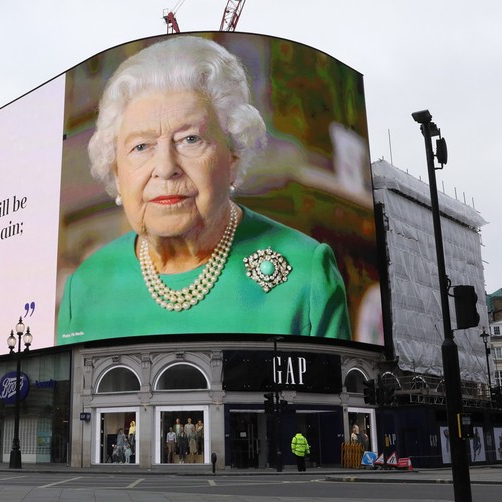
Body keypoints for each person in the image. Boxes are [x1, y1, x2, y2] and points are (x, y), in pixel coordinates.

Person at [57, 36, 350, 343]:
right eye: (141, 146)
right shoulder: (85, 286)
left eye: (190, 139)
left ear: (233, 156)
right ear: (117, 173)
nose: (166, 166)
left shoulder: (306, 272)